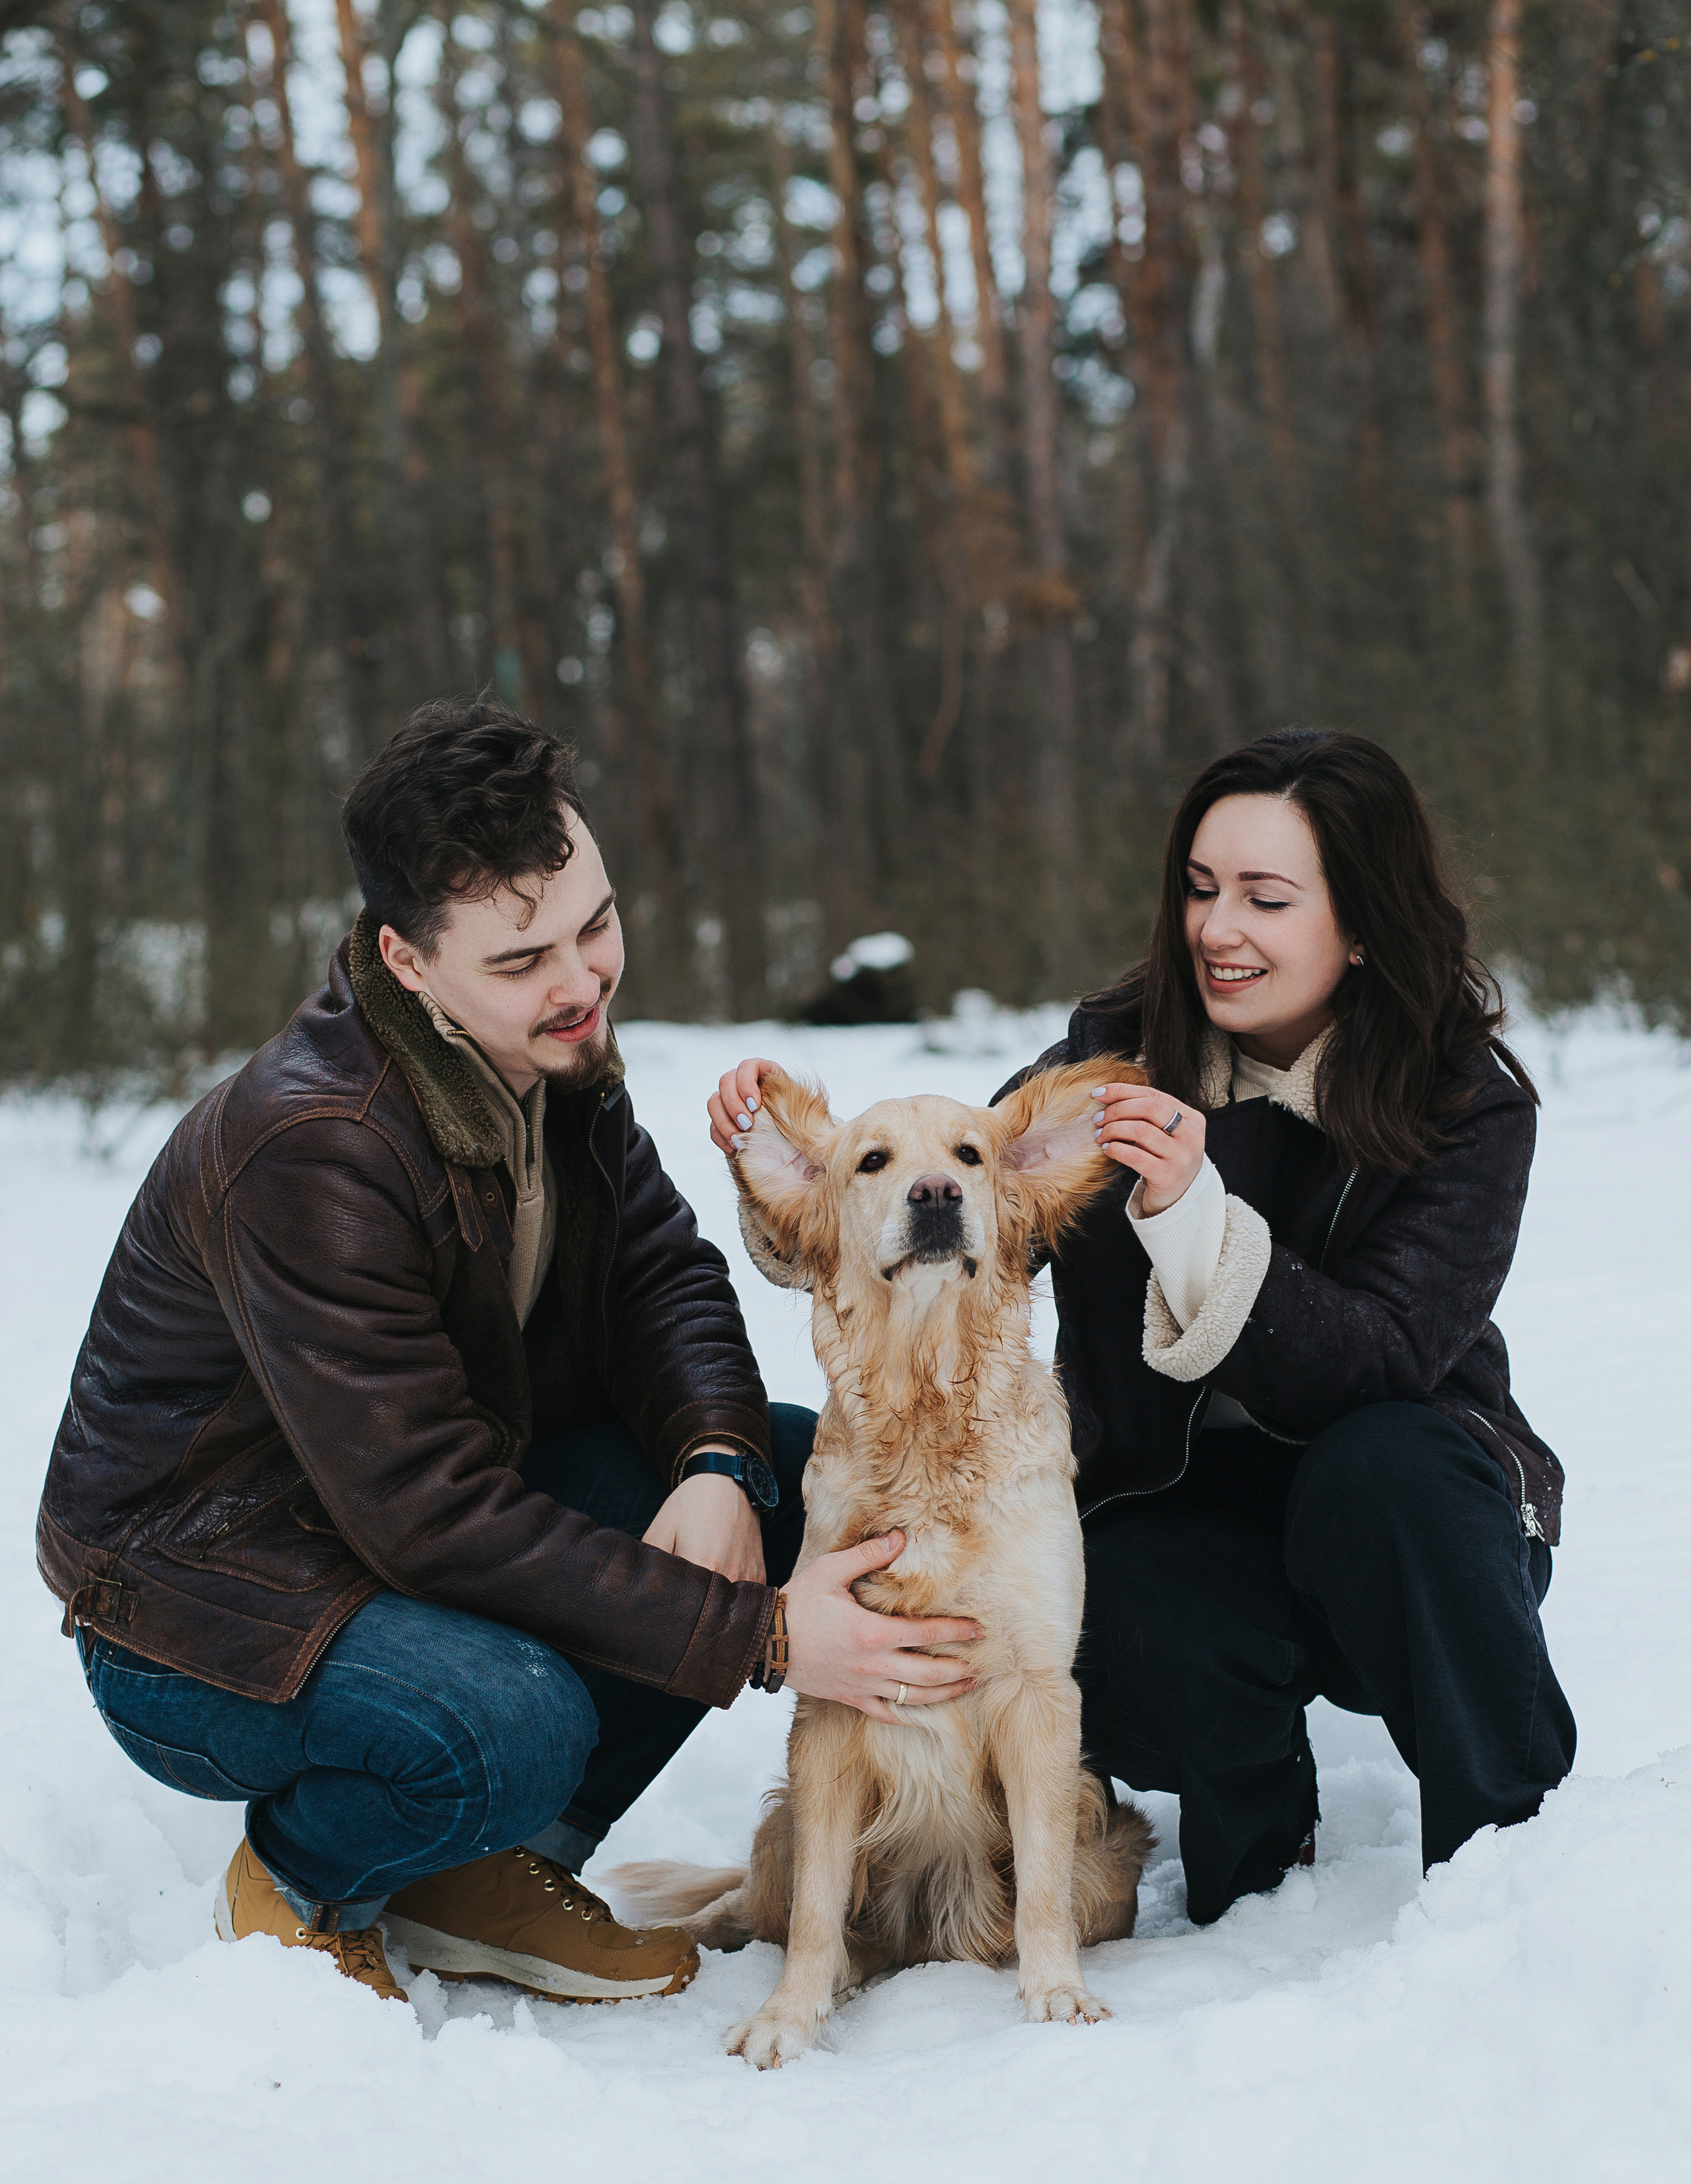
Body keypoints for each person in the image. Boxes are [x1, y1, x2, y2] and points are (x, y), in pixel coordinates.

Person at [38, 699, 980, 2006]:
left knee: (779, 1471)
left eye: (595, 925)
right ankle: (301, 1886)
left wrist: (711, 1466)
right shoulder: (316, 1148)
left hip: (403, 1521)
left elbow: (661, 1276)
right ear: (406, 963)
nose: (582, 981)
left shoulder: (552, 1050)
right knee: (510, 1721)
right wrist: (758, 1637)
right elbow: (428, 1515)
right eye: (524, 956)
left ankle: (489, 1868)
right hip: (205, 1603)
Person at [708, 727, 1575, 1924]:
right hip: (1181, 1496)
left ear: (1364, 921)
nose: (1219, 930)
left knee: (1394, 1469)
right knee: (1139, 1600)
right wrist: (795, 1192)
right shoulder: (1113, 1056)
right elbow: (954, 1188)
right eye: (1201, 890)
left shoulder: (1466, 1100)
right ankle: (1253, 1878)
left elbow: (1383, 1359)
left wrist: (1194, 1219)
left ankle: (1510, 1861)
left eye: (1268, 899)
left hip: (1404, 1516)